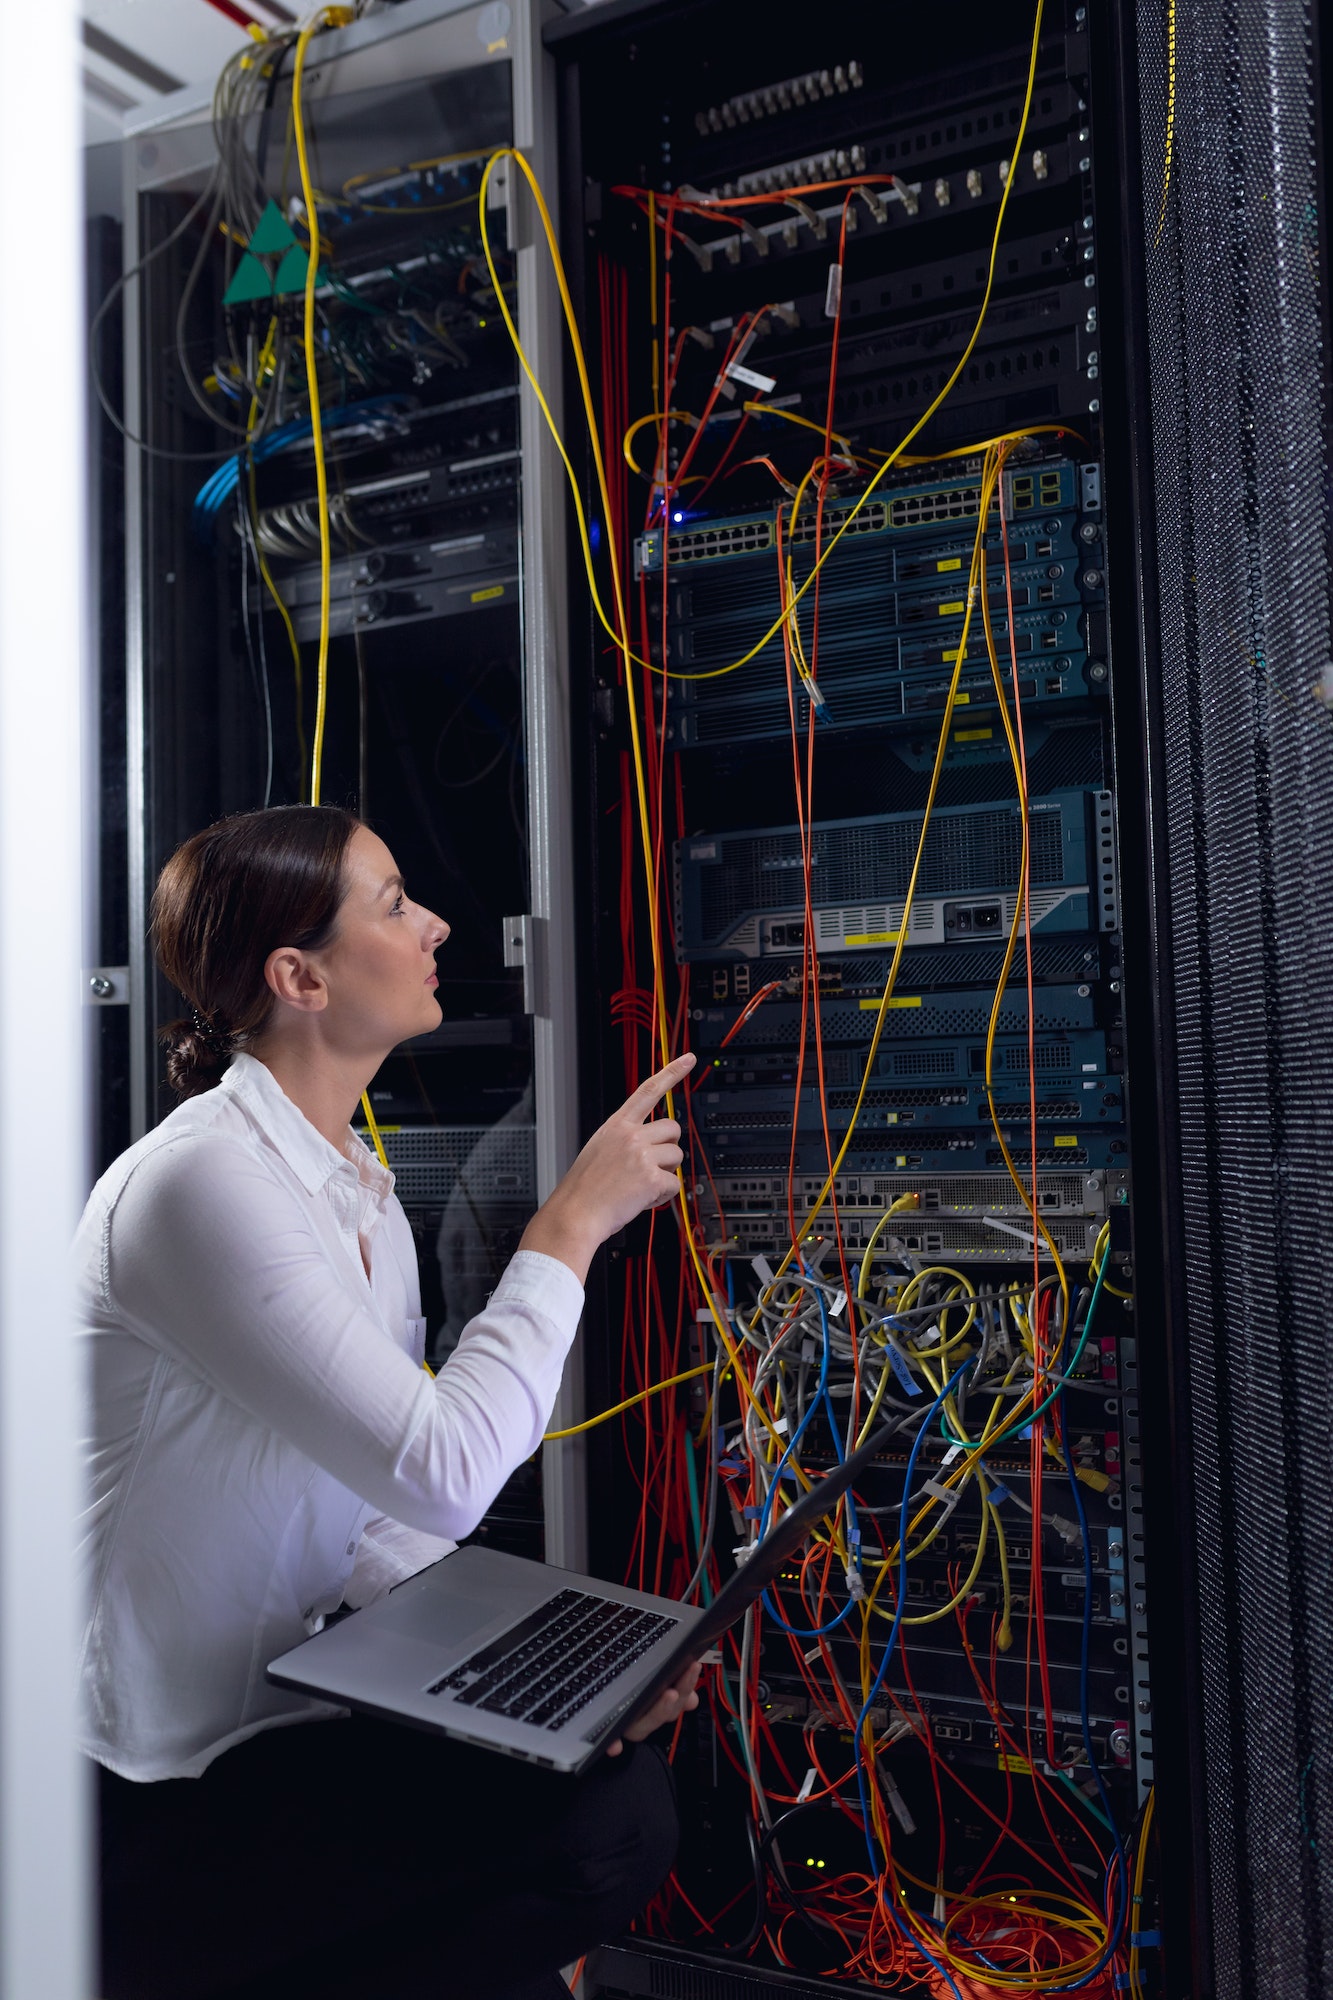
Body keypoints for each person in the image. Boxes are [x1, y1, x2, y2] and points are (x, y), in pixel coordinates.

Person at [77, 803, 700, 2000]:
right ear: (297, 975)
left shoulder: (354, 1192)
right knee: (603, 1824)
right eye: (396, 901)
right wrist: (567, 1228)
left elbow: (379, 1519)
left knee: (601, 1782)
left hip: (270, 1725)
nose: (437, 924)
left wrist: (570, 1665)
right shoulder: (201, 1184)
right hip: (135, 1790)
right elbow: (444, 1465)